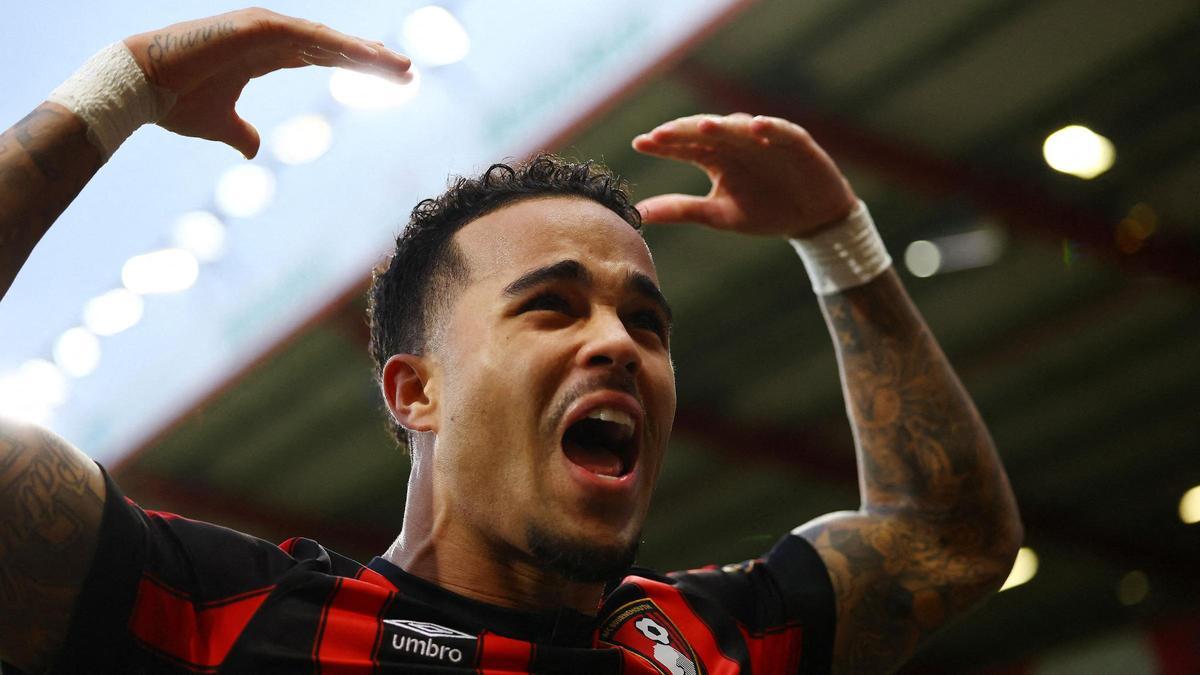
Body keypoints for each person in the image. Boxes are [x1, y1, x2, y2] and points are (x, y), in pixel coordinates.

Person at [0, 8, 1022, 675]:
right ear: (415, 392)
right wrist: (113, 93)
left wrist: (840, 244)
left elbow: (952, 536)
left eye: (647, 320)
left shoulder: (718, 641)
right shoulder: (223, 619)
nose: (620, 343)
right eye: (553, 306)